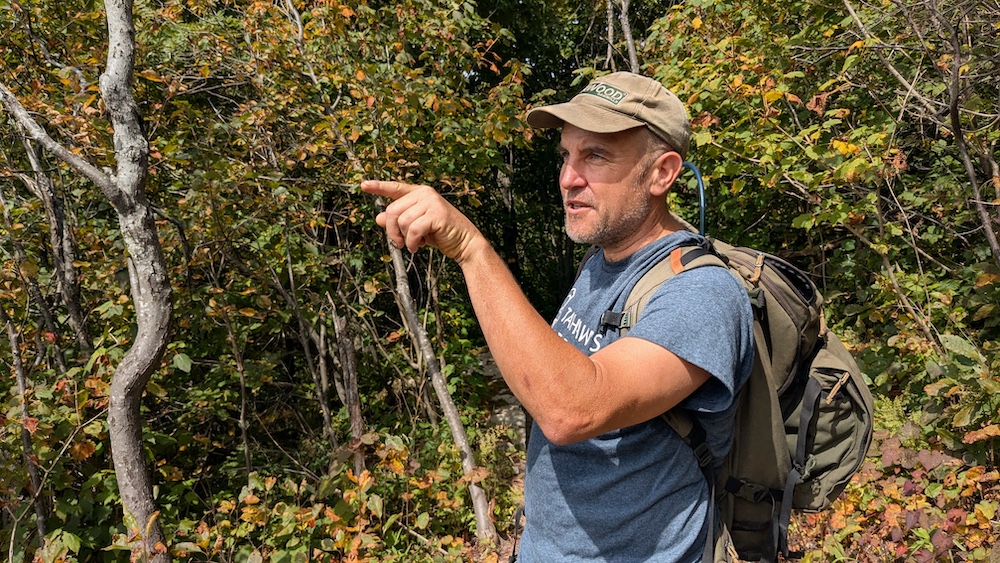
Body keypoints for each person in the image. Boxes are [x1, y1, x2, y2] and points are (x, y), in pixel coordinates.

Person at [362, 71, 754, 562]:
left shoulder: (702, 293)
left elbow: (572, 410)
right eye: (566, 155)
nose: (569, 177)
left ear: (662, 173)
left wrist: (470, 249)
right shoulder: (601, 261)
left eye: (596, 155)